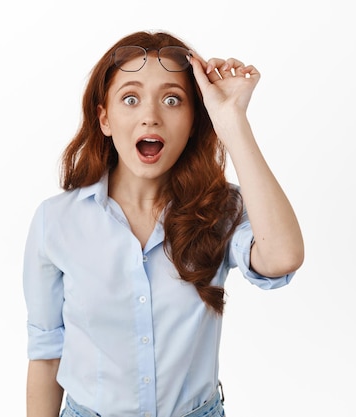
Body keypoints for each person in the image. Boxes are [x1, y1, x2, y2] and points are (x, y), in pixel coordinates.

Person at [22, 30, 304, 417]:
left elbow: (282, 256)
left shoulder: (219, 209)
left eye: (172, 100)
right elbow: (46, 353)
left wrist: (231, 120)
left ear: (192, 121)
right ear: (104, 118)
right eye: (130, 99)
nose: (150, 116)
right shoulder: (56, 221)